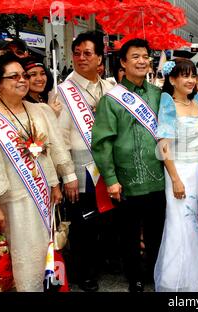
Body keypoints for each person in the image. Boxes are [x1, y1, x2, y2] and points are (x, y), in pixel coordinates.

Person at [0, 52, 75, 291]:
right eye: (14, 76)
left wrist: (56, 184)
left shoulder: (39, 110)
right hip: (10, 201)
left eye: (24, 75)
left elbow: (52, 148)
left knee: (42, 250)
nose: (22, 80)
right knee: (19, 257)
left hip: (42, 195)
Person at [91, 38, 166, 292]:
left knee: (157, 231)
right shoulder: (111, 100)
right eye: (135, 56)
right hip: (126, 179)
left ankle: (154, 271)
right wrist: (111, 179)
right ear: (123, 62)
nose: (142, 61)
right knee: (129, 234)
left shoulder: (158, 95)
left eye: (146, 56)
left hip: (157, 177)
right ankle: (134, 276)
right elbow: (102, 143)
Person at [56, 31, 114, 292]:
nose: (81, 58)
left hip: (109, 167)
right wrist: (67, 174)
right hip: (81, 167)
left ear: (99, 58)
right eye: (77, 53)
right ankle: (83, 272)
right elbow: (59, 139)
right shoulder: (64, 92)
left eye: (87, 53)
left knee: (105, 220)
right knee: (83, 223)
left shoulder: (110, 87)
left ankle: (102, 262)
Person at [153, 58, 198, 291]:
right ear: (172, 80)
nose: (191, 80)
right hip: (178, 172)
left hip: (197, 172)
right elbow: (164, 146)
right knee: (178, 222)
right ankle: (173, 280)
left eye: (193, 75)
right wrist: (176, 179)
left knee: (195, 222)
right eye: (185, 76)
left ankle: (194, 273)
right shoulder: (168, 104)